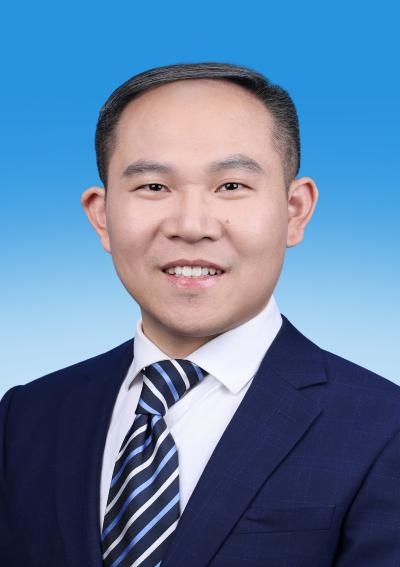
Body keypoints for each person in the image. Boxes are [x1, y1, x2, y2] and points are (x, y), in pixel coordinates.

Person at [1, 63, 399, 567]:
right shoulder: (26, 416)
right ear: (101, 216)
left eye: (231, 185)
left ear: (294, 210)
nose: (191, 226)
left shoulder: (384, 427)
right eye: (153, 187)